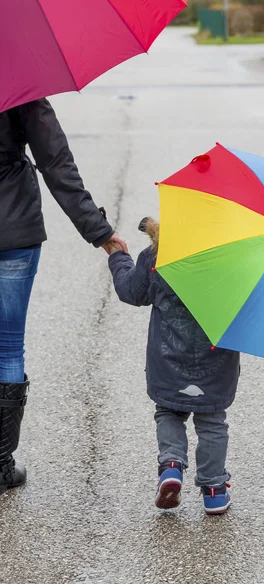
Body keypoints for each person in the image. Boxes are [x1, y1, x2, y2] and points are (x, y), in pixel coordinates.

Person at [0, 98, 127, 496]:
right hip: (12, 229)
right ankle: (0, 464)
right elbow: (56, 162)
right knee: (7, 348)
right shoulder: (18, 76)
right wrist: (101, 232)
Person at [106, 217, 240, 515]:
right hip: (216, 362)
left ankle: (170, 467)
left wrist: (118, 257)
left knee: (169, 411)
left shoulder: (158, 256)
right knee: (212, 421)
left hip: (167, 359)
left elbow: (131, 292)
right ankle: (215, 491)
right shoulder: (236, 260)